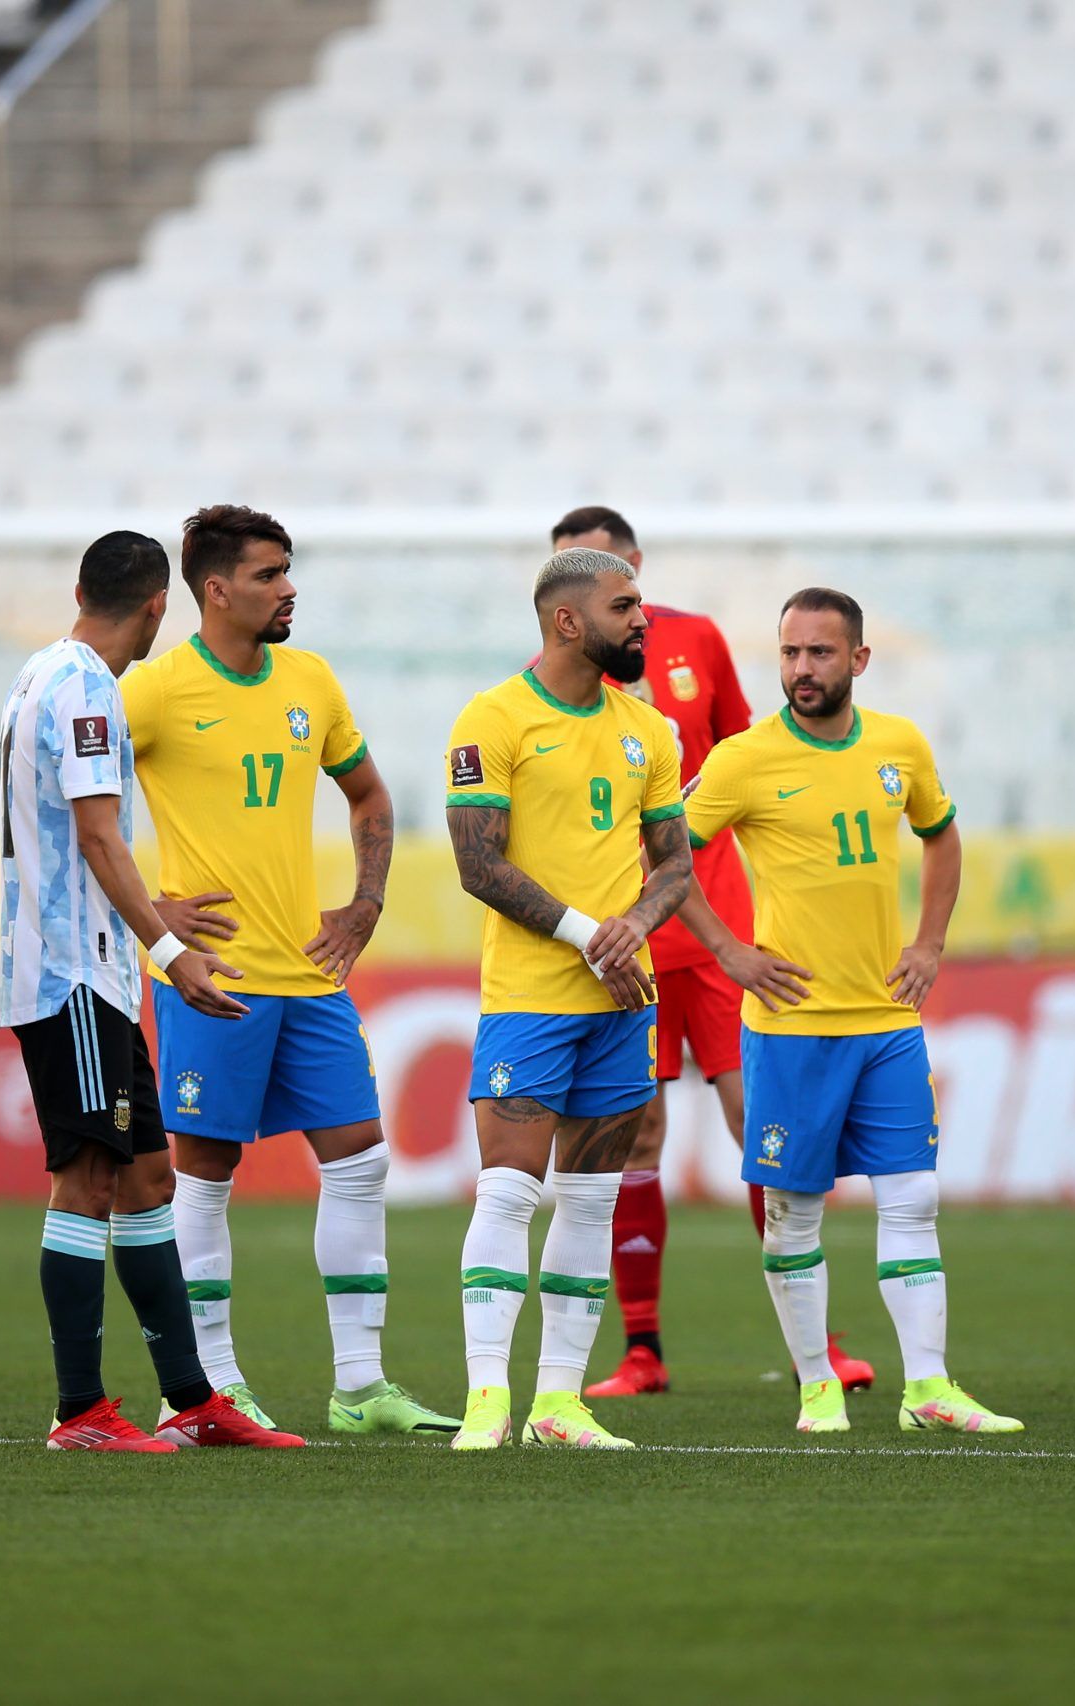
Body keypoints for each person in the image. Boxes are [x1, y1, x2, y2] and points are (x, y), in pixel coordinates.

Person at [128, 506, 455, 1436]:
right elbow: (71, 802)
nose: (288, 588)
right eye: (269, 575)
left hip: (309, 973)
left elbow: (369, 793)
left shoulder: (310, 679)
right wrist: (152, 920)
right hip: (213, 977)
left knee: (360, 1157)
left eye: (288, 570)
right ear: (216, 589)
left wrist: (366, 902)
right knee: (205, 1173)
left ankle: (359, 1387)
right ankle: (207, 1386)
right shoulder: (154, 691)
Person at [546, 506, 874, 1402]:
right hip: (626, 939)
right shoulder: (552, 682)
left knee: (760, 1125)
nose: (588, 590)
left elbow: (755, 758)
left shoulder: (697, 641)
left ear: (634, 566)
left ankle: (817, 1345)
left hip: (721, 927)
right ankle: (641, 1350)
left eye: (601, 569)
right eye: (568, 573)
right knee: (633, 1133)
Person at [675, 589, 1017, 1436]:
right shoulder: (744, 759)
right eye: (790, 653)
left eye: (820, 653)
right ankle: (817, 1386)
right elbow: (665, 850)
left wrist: (929, 942)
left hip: (887, 1021)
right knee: (793, 1212)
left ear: (858, 659)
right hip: (791, 1025)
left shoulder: (900, 745)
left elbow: (941, 833)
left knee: (913, 1198)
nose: (801, 669)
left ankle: (928, 1389)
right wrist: (728, 951)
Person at [0, 529, 302, 1449]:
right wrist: (171, 950)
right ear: (161, 605)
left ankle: (191, 1399)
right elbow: (97, 833)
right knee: (89, 1180)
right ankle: (79, 1411)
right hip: (71, 971)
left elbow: (72, 837)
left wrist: (146, 919)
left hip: (87, 964)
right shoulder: (89, 687)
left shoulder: (39, 673)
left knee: (144, 1178)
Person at [443, 546, 692, 1449]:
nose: (642, 619)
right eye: (625, 606)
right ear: (567, 619)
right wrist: (593, 935)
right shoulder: (494, 717)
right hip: (531, 1000)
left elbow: (676, 865)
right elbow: (478, 864)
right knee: (509, 1192)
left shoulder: (648, 729)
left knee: (590, 1202)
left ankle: (557, 1404)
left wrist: (634, 924)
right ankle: (487, 1398)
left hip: (623, 1002)